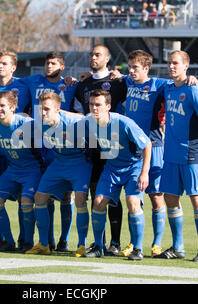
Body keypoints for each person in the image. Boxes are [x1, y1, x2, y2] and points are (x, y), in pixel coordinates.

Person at [121, 49, 198, 257]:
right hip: (131, 148)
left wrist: (191, 77)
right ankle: (133, 242)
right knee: (133, 197)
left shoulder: (159, 85)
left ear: (146, 68)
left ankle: (156, 243)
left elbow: (179, 83)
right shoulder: (126, 82)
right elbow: (108, 78)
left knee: (156, 196)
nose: (130, 71)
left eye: (134, 67)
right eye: (128, 67)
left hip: (154, 145)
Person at [155, 50, 198, 262]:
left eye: (176, 63)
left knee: (196, 200)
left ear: (186, 66)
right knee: (170, 198)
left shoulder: (193, 89)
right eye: (169, 63)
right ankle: (178, 247)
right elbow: (144, 80)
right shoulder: (168, 88)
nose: (171, 66)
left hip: (192, 153)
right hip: (170, 154)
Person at [82, 89, 151, 260]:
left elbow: (147, 144)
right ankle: (99, 246)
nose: (94, 108)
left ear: (108, 106)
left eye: (98, 105)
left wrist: (144, 172)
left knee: (133, 202)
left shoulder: (124, 123)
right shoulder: (89, 122)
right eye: (91, 104)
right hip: (112, 167)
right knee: (98, 202)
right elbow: (73, 122)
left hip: (133, 167)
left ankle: (138, 249)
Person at [73, 44, 127, 255]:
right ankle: (99, 242)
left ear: (107, 59)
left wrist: (123, 77)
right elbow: (77, 111)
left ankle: (115, 242)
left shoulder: (118, 82)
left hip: (113, 143)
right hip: (91, 145)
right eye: (91, 54)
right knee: (96, 193)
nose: (93, 57)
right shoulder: (83, 84)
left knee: (112, 194)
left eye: (97, 55)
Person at [23, 51, 78, 250]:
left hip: (62, 145)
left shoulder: (71, 85)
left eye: (54, 63)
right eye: (47, 62)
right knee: (43, 195)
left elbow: (82, 112)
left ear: (62, 67)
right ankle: (47, 239)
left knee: (65, 195)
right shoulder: (32, 81)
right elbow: (7, 80)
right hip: (39, 145)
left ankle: (64, 239)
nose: (49, 66)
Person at [26, 92, 92, 257]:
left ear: (57, 109)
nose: (42, 113)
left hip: (79, 163)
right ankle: (43, 244)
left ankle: (82, 245)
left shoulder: (74, 122)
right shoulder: (39, 123)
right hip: (59, 161)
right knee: (39, 198)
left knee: (80, 200)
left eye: (47, 109)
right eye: (40, 109)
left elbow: (89, 119)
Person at [0, 91, 48, 252]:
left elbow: (49, 130)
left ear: (13, 107)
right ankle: (8, 241)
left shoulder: (27, 124)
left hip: (32, 170)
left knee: (27, 202)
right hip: (12, 170)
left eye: (2, 106)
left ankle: (27, 242)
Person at [0, 51, 31, 116]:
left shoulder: (24, 86)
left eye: (4, 64)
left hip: (19, 125)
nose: (0, 66)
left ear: (13, 68)